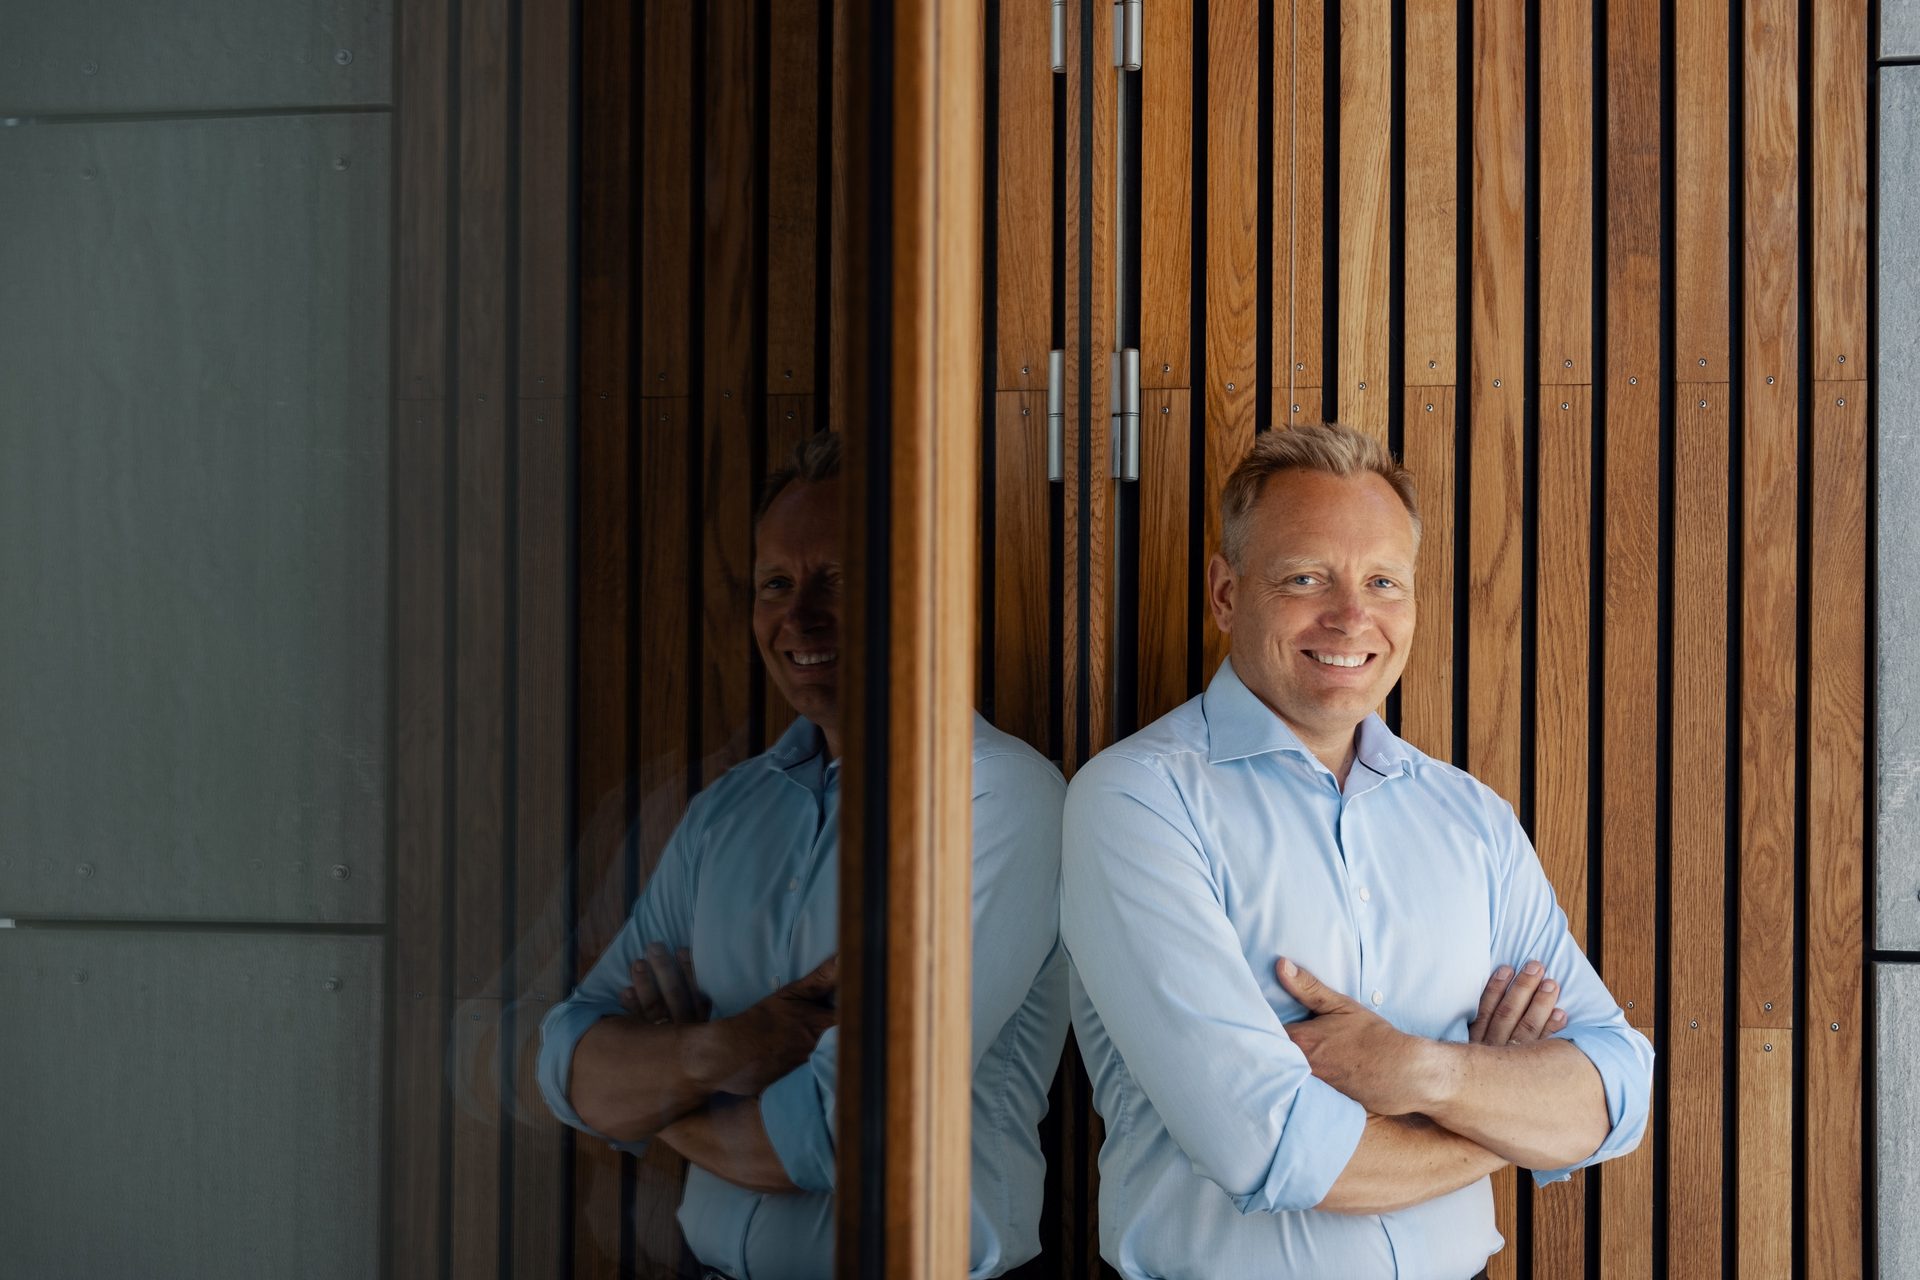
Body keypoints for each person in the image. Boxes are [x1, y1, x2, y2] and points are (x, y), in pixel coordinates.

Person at [1060, 423, 1653, 1280]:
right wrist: (1509, 1115)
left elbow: (1618, 1091)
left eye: (1384, 582)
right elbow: (1270, 1148)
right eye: (1306, 578)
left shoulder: (1471, 818)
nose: (1352, 617)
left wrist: (1424, 1074)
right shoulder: (1137, 802)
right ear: (1227, 594)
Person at [537, 431, 1068, 1280]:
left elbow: (837, 1134)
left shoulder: (996, 799)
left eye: (839, 580)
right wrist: (719, 1053)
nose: (799, 616)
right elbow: (563, 1058)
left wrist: (650, 1097)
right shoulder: (728, 811)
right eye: (776, 584)